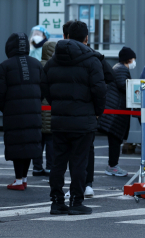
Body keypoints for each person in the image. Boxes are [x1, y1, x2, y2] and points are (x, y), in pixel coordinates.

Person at [45, 21, 106, 215]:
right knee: (79, 162)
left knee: (58, 162)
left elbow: (45, 86)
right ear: (86, 38)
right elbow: (99, 90)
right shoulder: (92, 60)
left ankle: (56, 201)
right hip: (83, 119)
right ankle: (76, 201)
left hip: (59, 120)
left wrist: (57, 104)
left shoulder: (53, 61)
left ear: (67, 36)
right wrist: (97, 111)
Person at [0, 33, 47, 191]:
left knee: (17, 144)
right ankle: (24, 178)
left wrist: (6, 108)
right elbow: (43, 89)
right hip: (34, 112)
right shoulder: (36, 64)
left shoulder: (5, 66)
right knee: (30, 144)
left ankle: (17, 180)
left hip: (13, 112)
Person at [98, 46, 136, 177]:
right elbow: (125, 86)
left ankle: (113, 165)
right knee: (115, 140)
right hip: (116, 113)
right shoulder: (121, 69)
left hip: (115, 112)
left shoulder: (118, 68)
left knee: (115, 140)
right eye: (133, 59)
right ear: (128, 59)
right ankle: (112, 166)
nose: (134, 62)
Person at [32, 41, 56, 176]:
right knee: (51, 141)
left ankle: (37, 167)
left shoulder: (37, 66)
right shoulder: (55, 66)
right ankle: (50, 167)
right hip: (52, 109)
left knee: (38, 141)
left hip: (38, 109)